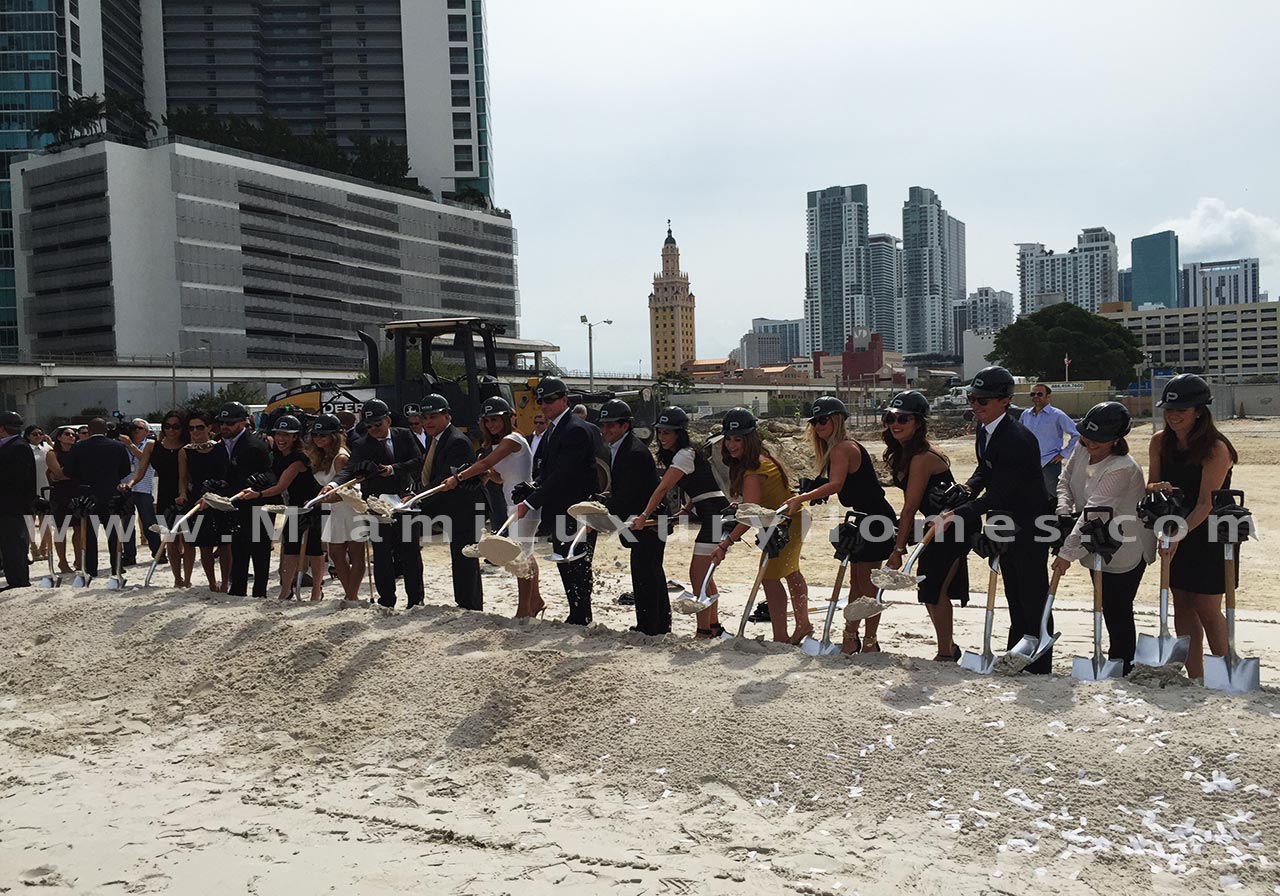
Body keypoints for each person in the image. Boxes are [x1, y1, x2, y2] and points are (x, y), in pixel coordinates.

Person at [942, 366, 1054, 673]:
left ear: (1005, 401)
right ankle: (1017, 654)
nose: (976, 405)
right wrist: (968, 488)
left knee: (1032, 593)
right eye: (972, 398)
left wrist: (958, 513)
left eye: (983, 400)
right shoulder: (984, 429)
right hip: (1003, 521)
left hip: (1030, 523)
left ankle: (1039, 664)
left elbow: (1000, 494)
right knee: (1013, 592)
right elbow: (985, 469)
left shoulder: (1017, 439)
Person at [785, 396, 897, 654]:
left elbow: (836, 485)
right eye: (814, 422)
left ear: (837, 420)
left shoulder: (842, 448)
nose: (818, 426)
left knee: (867, 584)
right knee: (856, 582)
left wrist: (801, 498)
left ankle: (870, 641)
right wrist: (815, 488)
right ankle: (850, 637)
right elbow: (840, 484)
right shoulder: (839, 448)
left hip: (875, 518)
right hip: (863, 516)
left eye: (823, 420)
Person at [1146, 373, 1237, 682]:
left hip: (1211, 532)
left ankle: (1226, 675)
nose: (1173, 415)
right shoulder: (1159, 442)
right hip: (1175, 526)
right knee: (1182, 603)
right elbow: (1150, 484)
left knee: (1207, 606)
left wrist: (1177, 535)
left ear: (1199, 411)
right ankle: (1196, 676)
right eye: (1169, 409)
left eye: (1181, 410)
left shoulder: (1216, 448)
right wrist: (1156, 487)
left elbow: (1205, 503)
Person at [1052, 401, 1152, 675]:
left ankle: (1123, 662)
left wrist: (1066, 553)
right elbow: (1065, 481)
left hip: (1125, 545)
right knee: (1106, 602)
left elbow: (1094, 512)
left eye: (1100, 438)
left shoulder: (1122, 467)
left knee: (1117, 606)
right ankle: (1115, 659)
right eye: (1087, 435)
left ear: (1116, 439)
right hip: (1094, 540)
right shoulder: (1083, 447)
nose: (1091, 442)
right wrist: (1063, 510)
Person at [882, 391, 972, 660]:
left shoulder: (922, 457)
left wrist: (898, 550)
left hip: (952, 526)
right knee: (928, 589)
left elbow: (910, 507)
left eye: (903, 419)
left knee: (935, 590)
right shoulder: (904, 453)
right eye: (890, 418)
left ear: (918, 422)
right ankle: (949, 647)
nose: (895, 424)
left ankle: (946, 653)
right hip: (934, 525)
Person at [711, 407, 810, 644]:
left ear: (750, 439)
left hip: (787, 523)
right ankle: (803, 624)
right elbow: (756, 504)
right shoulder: (761, 458)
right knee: (791, 571)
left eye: (738, 440)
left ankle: (781, 637)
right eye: (728, 439)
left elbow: (750, 516)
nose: (731, 445)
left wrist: (725, 543)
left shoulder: (753, 470)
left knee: (770, 578)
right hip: (792, 518)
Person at [632, 406, 730, 639]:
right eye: (660, 432)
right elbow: (701, 488)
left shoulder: (684, 455)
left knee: (698, 575)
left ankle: (703, 631)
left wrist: (644, 515)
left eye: (667, 432)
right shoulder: (684, 455)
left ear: (679, 434)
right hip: (714, 513)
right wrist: (685, 511)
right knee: (705, 576)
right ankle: (713, 626)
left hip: (715, 516)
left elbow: (663, 488)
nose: (662, 437)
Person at [445, 395, 544, 618]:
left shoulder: (512, 439)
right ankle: (535, 600)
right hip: (514, 503)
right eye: (487, 420)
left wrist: (458, 477)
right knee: (526, 554)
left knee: (520, 558)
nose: (491, 424)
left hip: (525, 503)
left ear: (507, 418)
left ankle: (524, 610)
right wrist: (488, 474)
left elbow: (485, 463)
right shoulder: (502, 443)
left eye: (495, 419)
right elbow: (501, 477)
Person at [326, 399, 424, 608]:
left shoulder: (404, 435)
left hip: (405, 499)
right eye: (368, 426)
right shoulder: (362, 444)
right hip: (376, 504)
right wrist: (332, 484)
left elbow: (418, 461)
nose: (373, 429)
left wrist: (393, 469)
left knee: (410, 552)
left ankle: (416, 600)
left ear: (388, 420)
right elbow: (349, 470)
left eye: (377, 424)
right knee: (381, 554)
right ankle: (387, 600)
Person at [516, 377, 599, 625]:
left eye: (550, 400)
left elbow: (564, 473)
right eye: (541, 400)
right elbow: (548, 470)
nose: (544, 405)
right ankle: (576, 613)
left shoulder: (574, 429)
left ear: (564, 400)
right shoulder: (553, 429)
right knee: (564, 561)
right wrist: (531, 486)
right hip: (560, 509)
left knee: (577, 563)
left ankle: (582, 615)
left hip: (576, 510)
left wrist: (531, 501)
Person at [598, 399, 669, 635]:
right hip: (644, 520)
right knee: (652, 573)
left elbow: (627, 495)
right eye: (603, 425)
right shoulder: (621, 448)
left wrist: (600, 511)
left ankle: (649, 628)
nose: (605, 430)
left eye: (611, 425)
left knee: (645, 575)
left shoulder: (633, 452)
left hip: (648, 521)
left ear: (625, 426)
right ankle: (659, 625)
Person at [411, 393, 482, 611]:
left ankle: (469, 606)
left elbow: (443, 479)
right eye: (425, 417)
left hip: (462, 506)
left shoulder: (456, 441)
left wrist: (416, 498)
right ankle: (417, 598)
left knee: (464, 557)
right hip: (442, 503)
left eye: (433, 416)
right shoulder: (434, 439)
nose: (428, 422)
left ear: (447, 416)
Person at [243, 415, 325, 600]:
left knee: (314, 550)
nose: (281, 438)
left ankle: (316, 590)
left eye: (286, 435)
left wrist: (258, 494)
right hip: (293, 507)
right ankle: (286, 590)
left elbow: (280, 486)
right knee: (290, 549)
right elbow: (273, 478)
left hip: (310, 505)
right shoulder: (278, 455)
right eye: (278, 434)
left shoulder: (298, 459)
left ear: (295, 437)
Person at [215, 401, 274, 597]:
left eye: (230, 423)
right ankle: (238, 588)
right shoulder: (222, 444)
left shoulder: (254, 446)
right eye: (222, 423)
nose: (224, 426)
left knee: (259, 550)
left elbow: (263, 476)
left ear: (243, 423)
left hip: (258, 504)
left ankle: (259, 592)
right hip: (236, 504)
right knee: (238, 548)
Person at [306, 414, 365, 601]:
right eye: (316, 435)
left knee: (355, 554)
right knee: (336, 555)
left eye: (323, 435)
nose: (318, 438)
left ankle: (351, 596)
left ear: (334, 435)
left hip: (351, 509)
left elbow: (350, 490)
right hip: (335, 511)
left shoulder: (341, 457)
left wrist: (324, 499)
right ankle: (351, 595)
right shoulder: (320, 455)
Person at [63, 418, 132, 578]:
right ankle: (116, 565)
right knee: (113, 532)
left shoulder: (79, 447)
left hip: (88, 493)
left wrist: (83, 478)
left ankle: (91, 567)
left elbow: (69, 471)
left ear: (89, 430)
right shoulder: (118, 446)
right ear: (106, 430)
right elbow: (125, 470)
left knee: (89, 533)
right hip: (111, 493)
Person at [183, 410, 231, 590]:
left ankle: (225, 583)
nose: (195, 431)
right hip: (197, 500)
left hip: (221, 498)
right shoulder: (185, 451)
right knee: (204, 545)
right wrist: (182, 495)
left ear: (209, 427)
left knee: (225, 543)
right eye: (192, 428)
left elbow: (228, 473)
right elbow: (183, 478)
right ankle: (212, 583)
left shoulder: (221, 448)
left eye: (200, 427)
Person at [143, 411, 191, 586]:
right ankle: (177, 578)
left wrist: (183, 493)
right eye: (167, 426)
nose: (171, 430)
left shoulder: (187, 446)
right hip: (164, 494)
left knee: (187, 540)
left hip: (185, 493)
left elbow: (184, 476)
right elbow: (141, 470)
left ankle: (187, 578)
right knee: (170, 540)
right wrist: (129, 484)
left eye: (176, 426)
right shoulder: (153, 446)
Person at [0, 411, 36, 588]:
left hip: (12, 505)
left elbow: (20, 479)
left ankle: (18, 580)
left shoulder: (18, 447)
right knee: (8, 544)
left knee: (13, 544)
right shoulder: (10, 445)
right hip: (8, 505)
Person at [1022, 384, 1079, 495]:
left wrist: (1063, 454)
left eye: (1039, 394)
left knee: (1053, 495)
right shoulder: (1026, 415)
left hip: (1049, 464)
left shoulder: (1057, 415)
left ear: (1048, 396)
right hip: (1028, 463)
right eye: (1033, 394)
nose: (1035, 396)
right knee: (1031, 494)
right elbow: (1020, 434)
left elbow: (1076, 434)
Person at [119, 418, 160, 567]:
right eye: (133, 427)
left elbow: (145, 459)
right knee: (127, 524)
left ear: (147, 432)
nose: (135, 430)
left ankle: (158, 553)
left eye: (139, 428)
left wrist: (130, 445)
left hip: (143, 487)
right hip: (125, 487)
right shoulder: (122, 445)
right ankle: (129, 555)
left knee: (149, 521)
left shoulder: (150, 444)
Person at [45, 426, 80, 573]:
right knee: (61, 528)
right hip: (60, 494)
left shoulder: (77, 453)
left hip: (76, 492)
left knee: (79, 528)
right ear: (59, 437)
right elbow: (58, 474)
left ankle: (79, 560)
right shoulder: (52, 453)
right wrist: (74, 474)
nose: (71, 436)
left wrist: (65, 474)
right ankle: (63, 562)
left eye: (73, 434)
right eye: (67, 434)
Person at [24, 425, 51, 563]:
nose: (38, 436)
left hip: (45, 487)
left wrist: (50, 442)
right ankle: (33, 548)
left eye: (40, 433)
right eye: (34, 434)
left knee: (45, 520)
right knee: (30, 520)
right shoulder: (25, 449)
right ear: (28, 436)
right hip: (30, 488)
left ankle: (44, 547)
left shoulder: (46, 448)